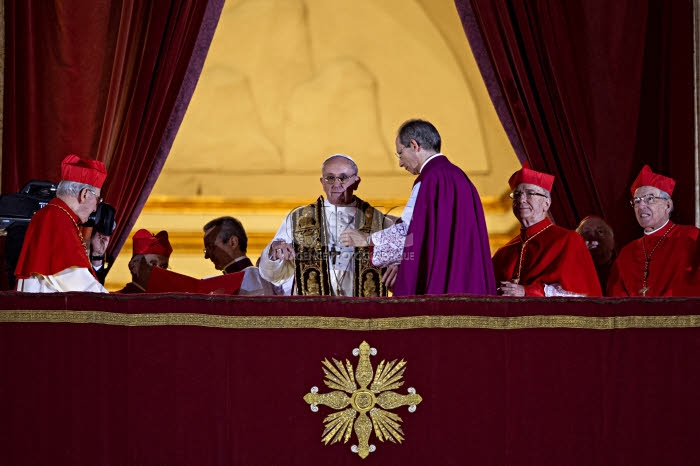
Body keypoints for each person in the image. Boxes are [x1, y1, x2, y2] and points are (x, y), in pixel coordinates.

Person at [340, 119, 496, 296]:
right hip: (468, 281)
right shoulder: (461, 179)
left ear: (414, 145)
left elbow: (410, 234)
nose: (400, 163)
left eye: (400, 154)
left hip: (440, 288)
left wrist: (366, 241)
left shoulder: (429, 180)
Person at [258, 154, 393, 296]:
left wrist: (371, 242)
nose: (336, 184)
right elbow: (274, 276)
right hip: (312, 312)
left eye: (343, 178)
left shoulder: (380, 222)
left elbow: (398, 269)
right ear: (322, 182)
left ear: (357, 182)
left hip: (362, 311)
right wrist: (274, 252)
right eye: (330, 178)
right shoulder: (298, 219)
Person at [492, 165, 602, 297]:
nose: (521, 199)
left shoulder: (568, 240)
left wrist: (526, 291)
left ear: (547, 203)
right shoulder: (503, 253)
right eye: (517, 194)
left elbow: (579, 295)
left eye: (530, 193)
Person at [14, 154, 108, 293]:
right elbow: (74, 279)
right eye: (98, 200)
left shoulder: (56, 215)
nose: (95, 208)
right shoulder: (57, 218)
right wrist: (115, 304)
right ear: (85, 194)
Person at [607, 165, 700, 296]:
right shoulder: (626, 252)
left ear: (668, 205)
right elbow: (615, 297)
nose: (641, 206)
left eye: (650, 199)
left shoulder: (691, 237)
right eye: (637, 201)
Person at [203, 216, 283, 295]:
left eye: (211, 247)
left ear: (233, 242)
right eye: (206, 250)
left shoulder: (253, 276)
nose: (206, 256)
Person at [117, 229, 172, 293]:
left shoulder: (167, 301)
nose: (160, 271)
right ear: (134, 267)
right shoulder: (114, 300)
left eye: (163, 267)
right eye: (153, 264)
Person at [576, 215, 616, 294]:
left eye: (600, 231)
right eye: (586, 232)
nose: (593, 236)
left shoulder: (622, 267)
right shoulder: (576, 276)